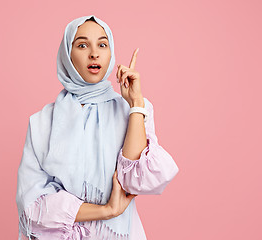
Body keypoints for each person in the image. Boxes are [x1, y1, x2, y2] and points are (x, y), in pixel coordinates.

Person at [16, 15, 179, 240]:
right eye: (82, 45)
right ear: (67, 55)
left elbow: (134, 180)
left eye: (102, 44)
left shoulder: (133, 108)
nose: (94, 53)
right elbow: (33, 205)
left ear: (110, 53)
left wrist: (135, 105)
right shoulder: (42, 122)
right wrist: (106, 211)